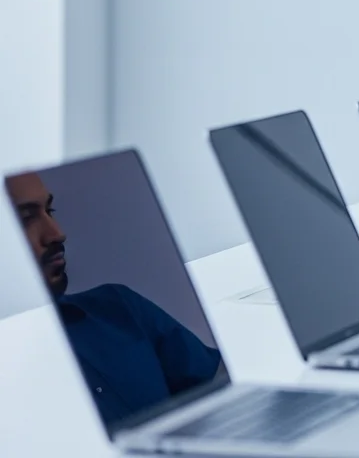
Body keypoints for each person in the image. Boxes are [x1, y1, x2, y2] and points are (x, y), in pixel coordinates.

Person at [6, 172, 224, 426]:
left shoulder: (119, 307)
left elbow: (222, 393)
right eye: (26, 219)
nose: (57, 233)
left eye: (50, 210)